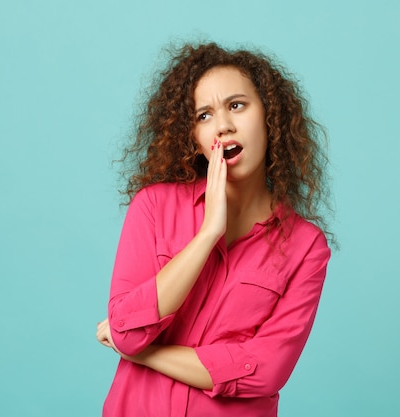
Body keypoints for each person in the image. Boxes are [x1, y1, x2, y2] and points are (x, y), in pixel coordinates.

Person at [96, 42, 332, 417]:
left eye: (236, 105)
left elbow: (264, 371)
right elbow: (127, 328)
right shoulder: (154, 207)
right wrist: (207, 234)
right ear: (191, 135)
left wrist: (146, 353)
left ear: (269, 116)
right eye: (203, 115)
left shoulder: (306, 247)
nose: (222, 125)